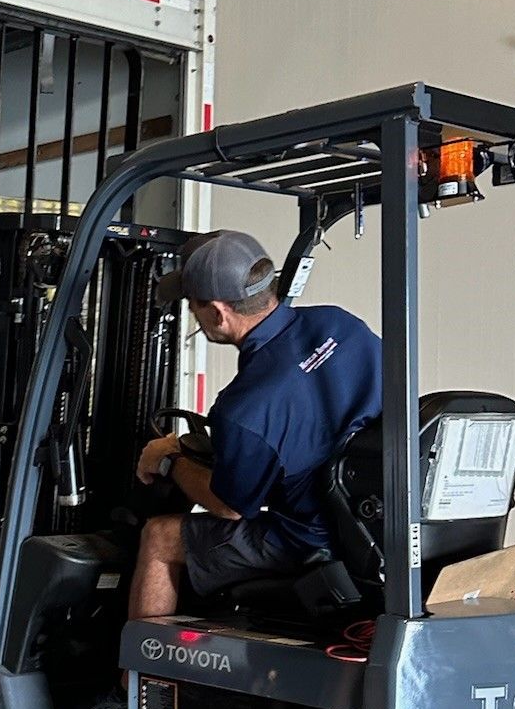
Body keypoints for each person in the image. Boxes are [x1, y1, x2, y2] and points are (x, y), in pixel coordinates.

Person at [129, 230, 381, 623]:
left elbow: (229, 508)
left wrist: (170, 459)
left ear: (217, 311)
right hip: (371, 523)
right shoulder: (341, 324)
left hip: (309, 540)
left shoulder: (243, 408)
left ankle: (134, 678)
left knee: (160, 536)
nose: (195, 316)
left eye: (193, 307)